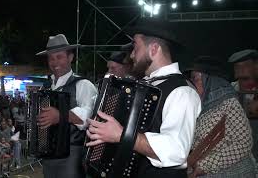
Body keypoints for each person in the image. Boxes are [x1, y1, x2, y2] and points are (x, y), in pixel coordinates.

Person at [86, 18, 201, 178]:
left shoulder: (182, 91)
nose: (132, 55)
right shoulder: (144, 85)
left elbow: (177, 150)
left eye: (135, 46)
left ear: (153, 49)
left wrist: (121, 135)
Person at [36, 34, 98, 178]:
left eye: (59, 57)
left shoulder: (83, 85)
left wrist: (61, 115)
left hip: (73, 156)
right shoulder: (45, 87)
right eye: (51, 58)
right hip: (48, 156)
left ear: (70, 57)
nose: (54, 62)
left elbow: (89, 117)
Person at [186, 56, 255, 178]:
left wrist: (206, 165)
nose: (191, 83)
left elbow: (243, 143)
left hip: (233, 173)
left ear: (210, 81)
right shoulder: (201, 106)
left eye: (195, 78)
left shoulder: (229, 103)